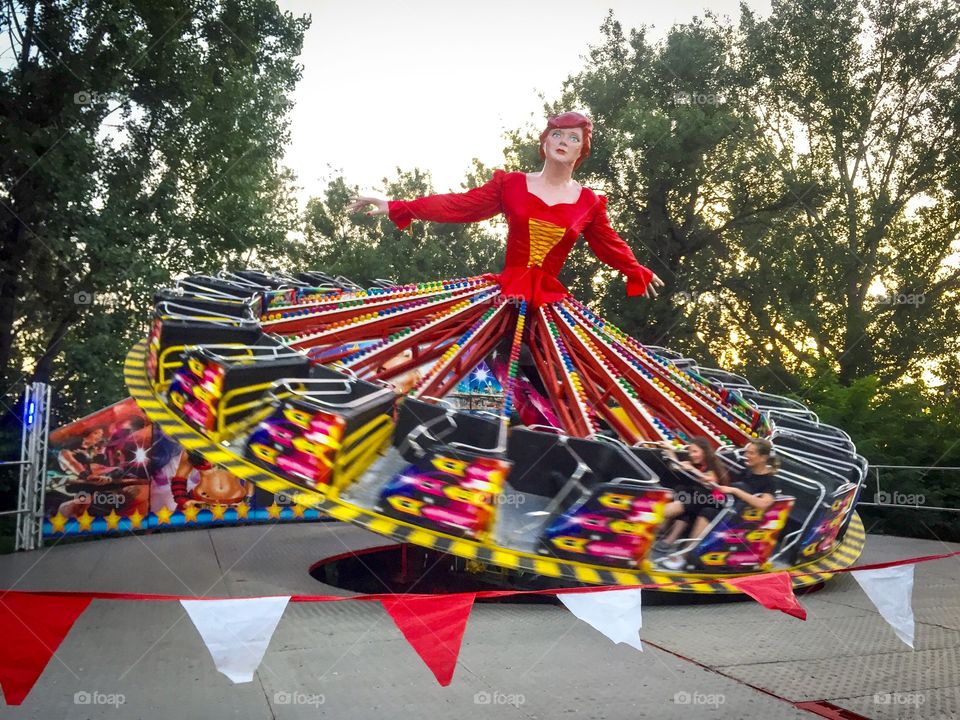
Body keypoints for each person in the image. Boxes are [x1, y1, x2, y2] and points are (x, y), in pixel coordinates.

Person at [346, 111, 664, 310]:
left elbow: (609, 243)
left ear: (582, 149)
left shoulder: (589, 203)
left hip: (548, 304)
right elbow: (459, 205)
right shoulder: (511, 184)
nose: (562, 140)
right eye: (556, 133)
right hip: (502, 297)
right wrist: (396, 206)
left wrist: (634, 268)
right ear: (545, 142)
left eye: (572, 137)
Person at [656, 438, 781, 571]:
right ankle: (658, 526)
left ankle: (685, 555)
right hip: (727, 505)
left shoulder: (769, 481)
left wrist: (735, 491)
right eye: (746, 452)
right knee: (691, 495)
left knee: (704, 508)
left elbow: (763, 504)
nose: (746, 456)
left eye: (751, 453)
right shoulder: (747, 471)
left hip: (739, 517)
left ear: (763, 457)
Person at [655, 437, 730, 550]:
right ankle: (666, 535)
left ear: (705, 451)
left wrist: (691, 469)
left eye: (695, 451)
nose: (692, 455)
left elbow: (710, 480)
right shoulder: (696, 463)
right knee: (682, 490)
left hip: (714, 502)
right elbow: (676, 466)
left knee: (691, 498)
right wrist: (669, 450)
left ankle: (656, 521)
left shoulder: (712, 466)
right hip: (697, 500)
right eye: (690, 452)